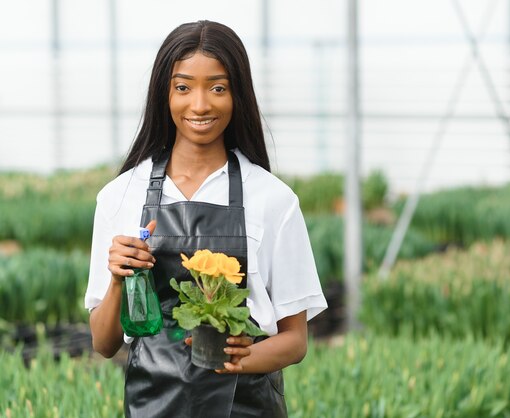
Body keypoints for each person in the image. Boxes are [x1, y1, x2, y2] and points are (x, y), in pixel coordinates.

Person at [84, 20, 327, 417]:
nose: (199, 105)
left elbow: (295, 340)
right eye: (183, 87)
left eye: (217, 87)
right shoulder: (120, 196)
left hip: (245, 406)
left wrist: (238, 360)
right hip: (152, 405)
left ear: (237, 95)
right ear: (164, 94)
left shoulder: (272, 199)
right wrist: (117, 279)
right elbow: (104, 343)